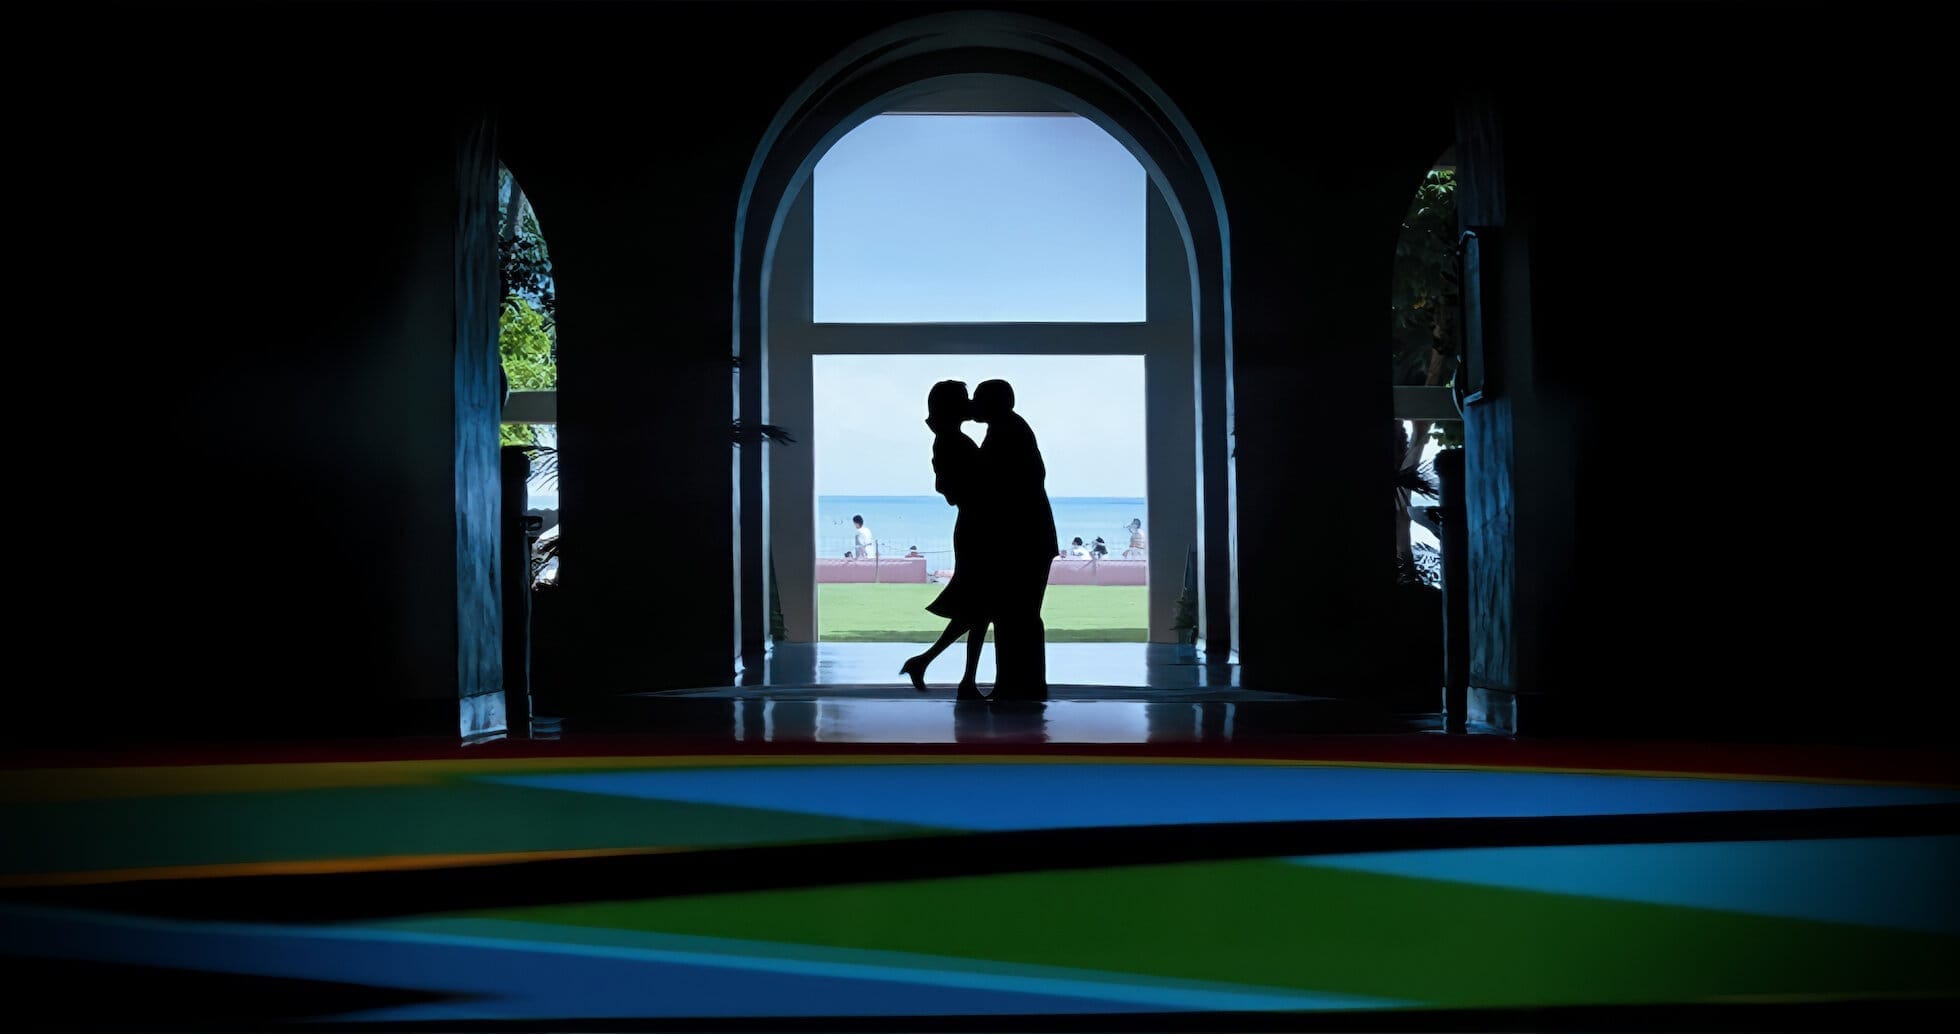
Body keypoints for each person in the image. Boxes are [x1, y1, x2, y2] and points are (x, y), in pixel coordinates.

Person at [899, 381, 991, 700]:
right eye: (964, 400)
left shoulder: (949, 440)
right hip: (976, 527)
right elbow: (951, 488)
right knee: (980, 606)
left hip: (974, 525)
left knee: (979, 607)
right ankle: (958, 676)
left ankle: (940, 668)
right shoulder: (954, 442)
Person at [971, 379, 1056, 701]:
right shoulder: (1009, 428)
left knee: (1015, 615)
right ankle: (1019, 684)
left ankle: (1017, 686)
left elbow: (992, 482)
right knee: (1017, 615)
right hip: (1028, 537)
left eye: (978, 400)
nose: (972, 404)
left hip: (1023, 539)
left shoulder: (1006, 432)